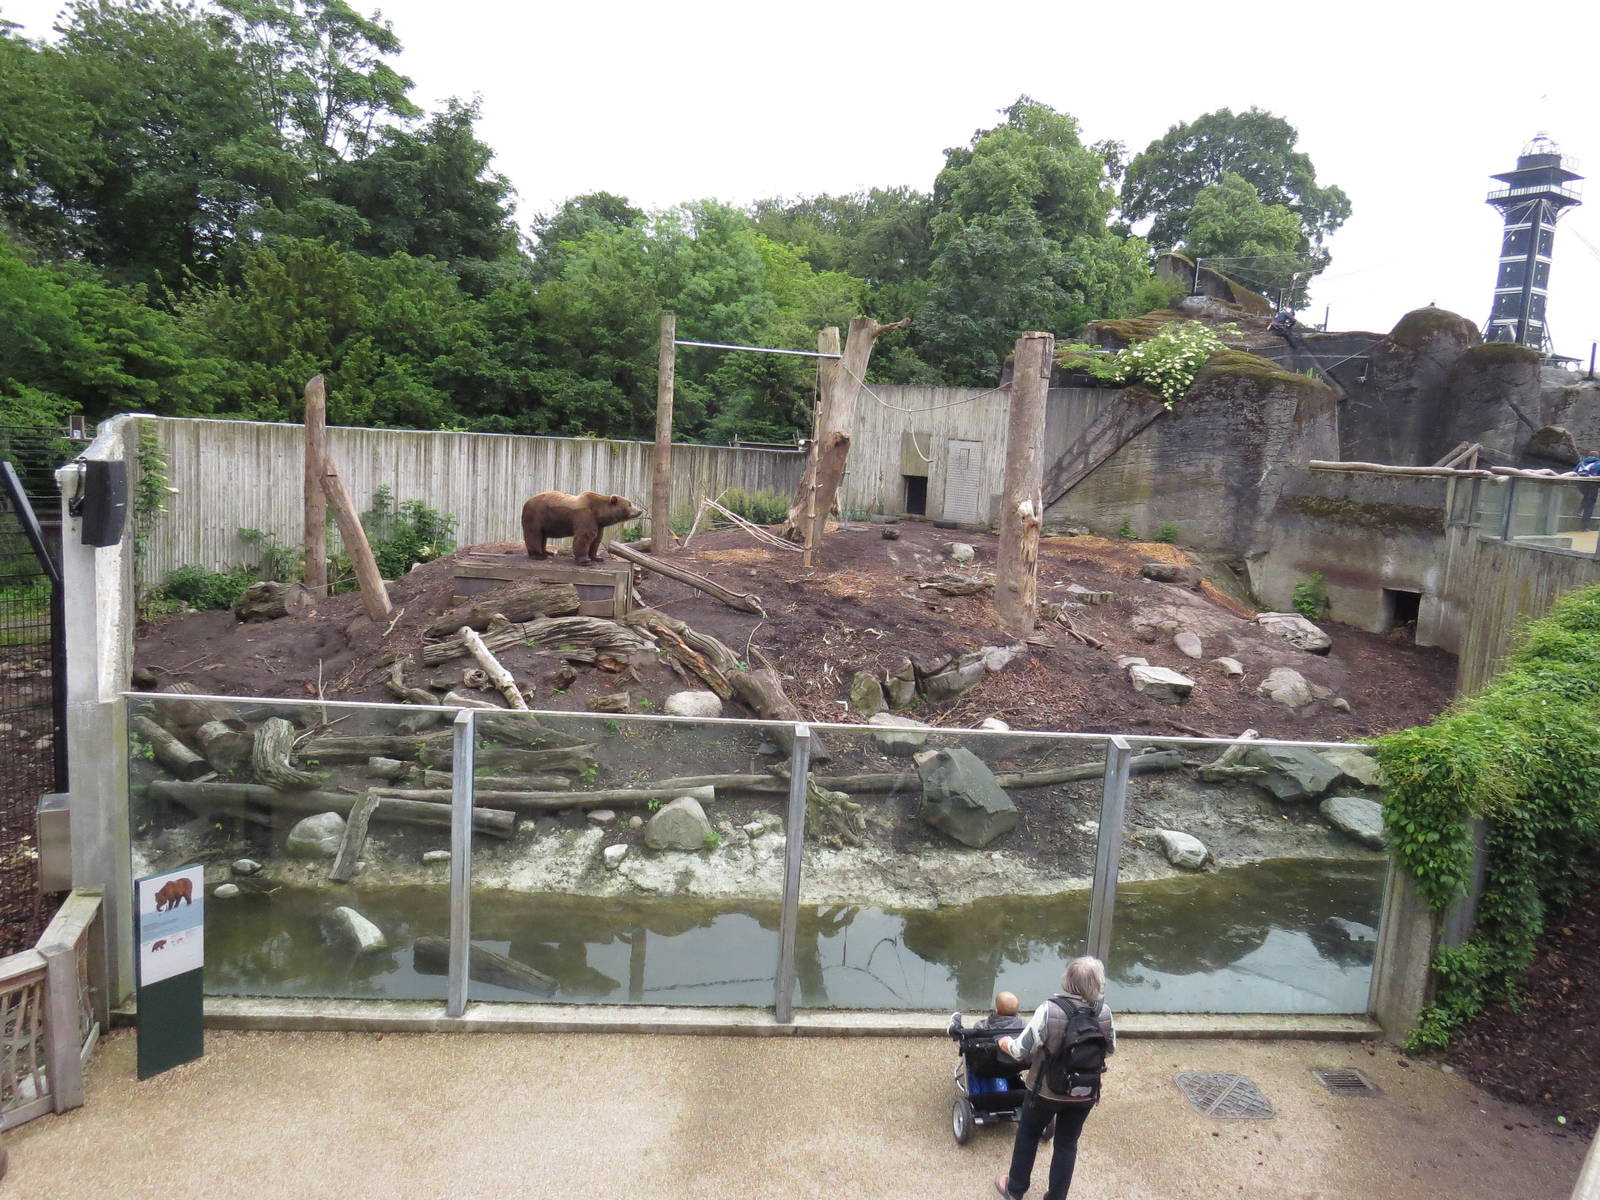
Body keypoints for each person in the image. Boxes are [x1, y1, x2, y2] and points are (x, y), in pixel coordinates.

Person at [992, 957, 1115, 1200]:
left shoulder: (1049, 1010)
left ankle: (1015, 1189)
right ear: (1099, 984)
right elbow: (1109, 1050)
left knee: (1028, 1133)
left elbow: (1020, 1051)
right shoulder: (1105, 1012)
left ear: (1068, 979)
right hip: (1085, 1091)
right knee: (1067, 1142)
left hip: (1045, 1090)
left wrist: (1005, 1042)